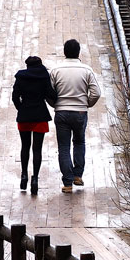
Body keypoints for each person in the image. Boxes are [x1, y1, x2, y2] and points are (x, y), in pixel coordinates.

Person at [50, 39, 100, 193]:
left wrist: (56, 105)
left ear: (64, 52)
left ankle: (67, 183)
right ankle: (78, 175)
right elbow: (96, 93)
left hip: (62, 113)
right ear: (79, 52)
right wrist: (87, 104)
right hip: (80, 112)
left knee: (64, 147)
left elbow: (49, 93)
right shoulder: (87, 70)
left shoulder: (55, 70)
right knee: (79, 142)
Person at [12, 55, 57, 195]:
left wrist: (21, 108)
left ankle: (24, 174)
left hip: (24, 115)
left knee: (24, 146)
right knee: (37, 149)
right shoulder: (44, 77)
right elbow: (52, 95)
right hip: (40, 116)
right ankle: (35, 179)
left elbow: (14, 97)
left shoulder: (20, 77)